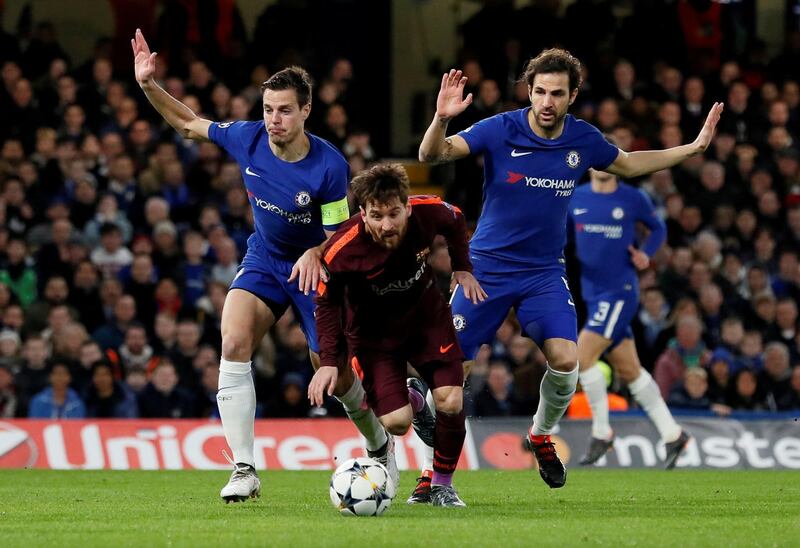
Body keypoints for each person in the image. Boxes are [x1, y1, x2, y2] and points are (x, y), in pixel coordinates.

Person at [417, 48, 722, 489]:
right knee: (450, 376)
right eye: (539, 91)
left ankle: (540, 436)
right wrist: (441, 118)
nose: (546, 101)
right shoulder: (501, 128)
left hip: (542, 272)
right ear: (529, 91)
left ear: (572, 95)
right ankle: (432, 472)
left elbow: (631, 163)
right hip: (486, 268)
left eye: (556, 94)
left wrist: (693, 148)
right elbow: (433, 155)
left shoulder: (583, 139)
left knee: (566, 361)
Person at [132, 29, 388, 503]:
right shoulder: (247, 139)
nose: (274, 119)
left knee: (333, 373)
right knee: (233, 339)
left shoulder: (329, 167)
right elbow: (189, 124)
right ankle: (245, 469)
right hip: (266, 259)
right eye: (269, 109)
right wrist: (149, 86)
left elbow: (337, 237)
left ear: (306, 110)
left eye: (285, 109)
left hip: (319, 270)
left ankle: (378, 442)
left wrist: (317, 253)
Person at [308, 163, 486, 507]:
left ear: (407, 206)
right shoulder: (342, 249)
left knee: (451, 399)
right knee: (397, 423)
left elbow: (456, 219)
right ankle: (414, 401)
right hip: (374, 339)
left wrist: (462, 266)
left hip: (426, 320)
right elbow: (326, 304)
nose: (386, 225)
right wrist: (329, 362)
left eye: (394, 214)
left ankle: (442, 485)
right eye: (376, 216)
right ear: (362, 213)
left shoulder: (428, 211)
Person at [568, 167, 689, 469]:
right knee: (630, 370)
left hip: (619, 292)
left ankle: (601, 432)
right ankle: (673, 434)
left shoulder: (633, 198)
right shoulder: (575, 196)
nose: (603, 166)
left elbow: (658, 228)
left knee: (580, 359)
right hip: (592, 294)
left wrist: (646, 253)